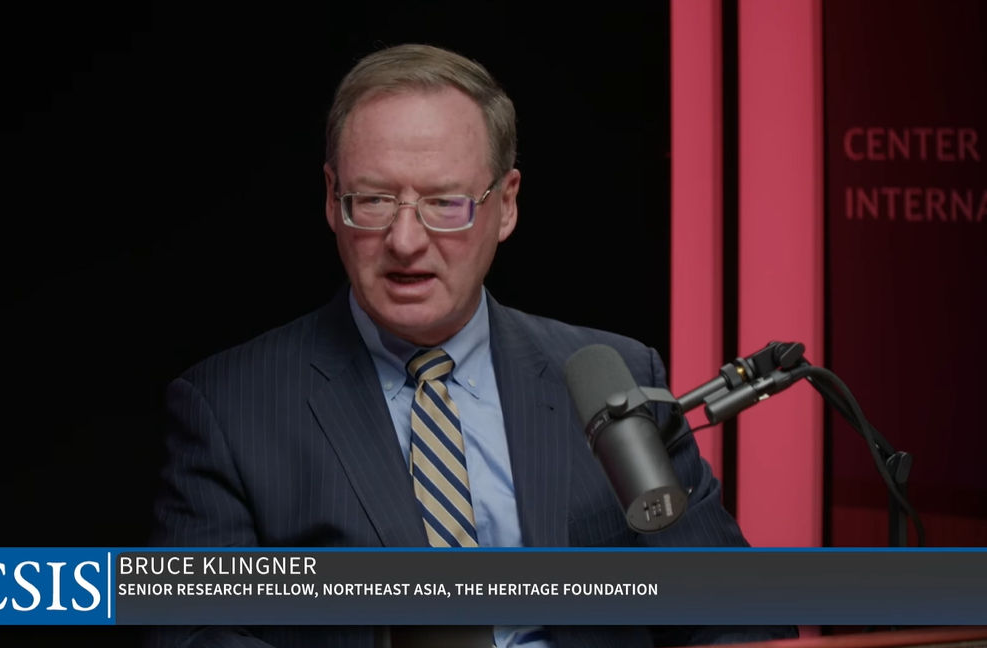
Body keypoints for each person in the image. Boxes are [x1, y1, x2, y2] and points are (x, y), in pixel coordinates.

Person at [147, 44, 798, 648]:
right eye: (372, 200)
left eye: (444, 202)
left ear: (505, 205)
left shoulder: (614, 377)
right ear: (330, 198)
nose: (405, 241)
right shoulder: (229, 407)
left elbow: (737, 615)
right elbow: (194, 633)